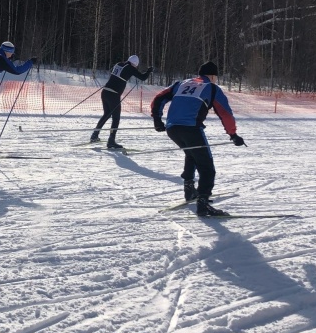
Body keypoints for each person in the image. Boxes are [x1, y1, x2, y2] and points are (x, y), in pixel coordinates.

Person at [150, 61, 246, 216]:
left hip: (172, 128)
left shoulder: (181, 83)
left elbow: (159, 98)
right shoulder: (212, 88)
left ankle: (189, 190)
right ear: (212, 76)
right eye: (216, 76)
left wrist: (157, 119)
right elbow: (225, 114)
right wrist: (233, 134)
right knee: (207, 167)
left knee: (191, 154)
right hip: (191, 128)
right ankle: (203, 203)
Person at [90, 55, 153, 149]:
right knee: (116, 118)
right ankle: (111, 141)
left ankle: (95, 135)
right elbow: (143, 78)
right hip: (113, 94)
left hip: (105, 91)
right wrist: (149, 71)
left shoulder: (118, 64)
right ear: (135, 64)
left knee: (106, 114)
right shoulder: (131, 68)